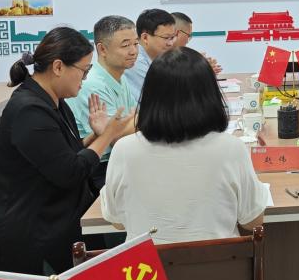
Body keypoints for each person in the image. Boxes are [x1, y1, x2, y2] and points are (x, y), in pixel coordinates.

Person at [0, 27, 135, 274]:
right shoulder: (29, 111)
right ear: (58, 67)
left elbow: (69, 153)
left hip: (57, 212)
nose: (85, 79)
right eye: (84, 70)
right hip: (37, 231)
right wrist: (108, 135)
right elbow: (70, 172)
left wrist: (96, 135)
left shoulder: (53, 101)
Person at [101, 48, 268, 244]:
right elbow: (252, 221)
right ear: (210, 95)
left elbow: (117, 222)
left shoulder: (124, 150)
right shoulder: (231, 148)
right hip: (219, 263)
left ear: (150, 96)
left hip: (148, 264)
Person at [64, 15, 139, 187]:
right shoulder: (92, 83)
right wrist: (153, 115)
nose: (133, 51)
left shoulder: (120, 76)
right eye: (125, 45)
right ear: (102, 49)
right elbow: (117, 137)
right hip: (98, 168)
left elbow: (134, 119)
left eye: (135, 44)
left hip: (117, 160)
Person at [123, 8, 176, 99]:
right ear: (145, 38)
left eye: (172, 38)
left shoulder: (160, 57)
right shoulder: (135, 61)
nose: (170, 43)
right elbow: (161, 97)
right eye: (166, 38)